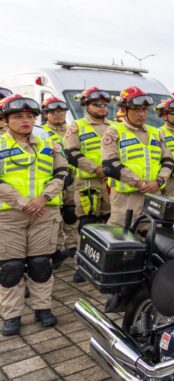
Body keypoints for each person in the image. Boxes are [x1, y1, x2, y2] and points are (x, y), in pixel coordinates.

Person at [0, 95, 70, 335]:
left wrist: (44, 198)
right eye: (18, 116)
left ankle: (43, 308)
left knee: (42, 264)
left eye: (30, 116)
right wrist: (22, 202)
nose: (25, 121)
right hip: (9, 215)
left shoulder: (47, 141)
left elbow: (62, 171)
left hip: (44, 211)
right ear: (6, 119)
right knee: (11, 268)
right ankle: (12, 314)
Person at [101, 87, 174, 227]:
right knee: (122, 238)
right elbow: (110, 164)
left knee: (151, 236)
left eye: (144, 110)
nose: (142, 114)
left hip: (153, 195)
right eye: (136, 109)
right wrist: (138, 183)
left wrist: (159, 181)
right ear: (124, 110)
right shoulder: (114, 131)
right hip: (126, 199)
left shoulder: (156, 132)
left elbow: (168, 160)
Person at [64, 87, 113, 282]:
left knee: (110, 223)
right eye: (96, 104)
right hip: (88, 182)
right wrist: (96, 169)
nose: (101, 107)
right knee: (86, 224)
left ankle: (105, 263)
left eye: (104, 104)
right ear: (86, 105)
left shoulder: (115, 126)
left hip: (112, 183)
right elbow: (71, 154)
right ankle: (82, 265)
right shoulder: (77, 126)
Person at [41, 97, 78, 267]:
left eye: (61, 111)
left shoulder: (72, 130)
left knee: (71, 214)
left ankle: (72, 248)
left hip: (73, 180)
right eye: (53, 112)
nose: (58, 115)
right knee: (55, 217)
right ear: (46, 113)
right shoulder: (39, 132)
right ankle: (54, 252)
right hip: (53, 181)